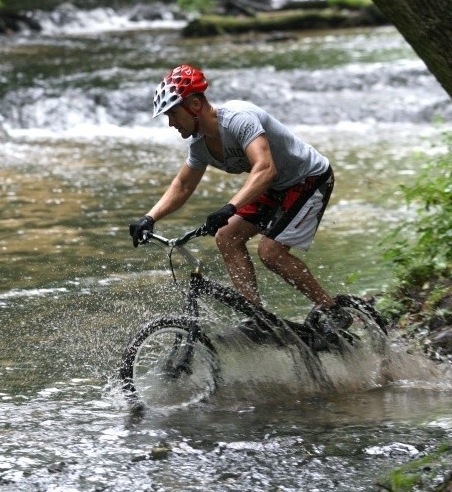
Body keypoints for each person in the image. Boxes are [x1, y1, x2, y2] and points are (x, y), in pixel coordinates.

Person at [129, 64, 350, 334]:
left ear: (195, 105)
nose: (171, 122)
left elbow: (265, 168)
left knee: (270, 252)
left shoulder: (238, 119)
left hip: (308, 179)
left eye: (173, 114)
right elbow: (183, 185)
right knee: (226, 237)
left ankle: (330, 310)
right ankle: (257, 316)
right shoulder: (200, 145)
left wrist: (230, 207)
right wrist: (150, 218)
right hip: (273, 186)